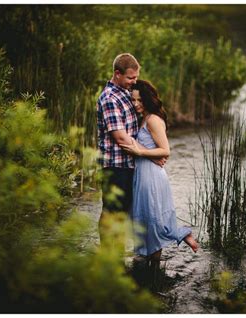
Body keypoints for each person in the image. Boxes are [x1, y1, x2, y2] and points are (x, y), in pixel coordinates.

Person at [120, 79, 199, 265]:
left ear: (148, 99)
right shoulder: (144, 119)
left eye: (140, 100)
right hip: (142, 174)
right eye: (133, 100)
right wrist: (148, 154)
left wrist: (140, 152)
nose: (136, 104)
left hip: (152, 177)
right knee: (145, 219)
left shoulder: (154, 120)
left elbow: (165, 151)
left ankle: (157, 266)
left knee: (153, 219)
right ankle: (150, 264)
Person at [96, 53, 166, 244]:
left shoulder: (126, 93)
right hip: (115, 166)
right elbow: (121, 138)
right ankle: (109, 259)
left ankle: (116, 257)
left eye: (135, 77)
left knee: (123, 213)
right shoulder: (110, 98)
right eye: (130, 78)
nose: (134, 81)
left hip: (129, 164)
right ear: (117, 74)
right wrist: (152, 155)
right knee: (112, 212)